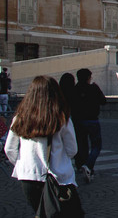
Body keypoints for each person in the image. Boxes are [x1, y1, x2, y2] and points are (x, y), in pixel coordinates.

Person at [4, 76, 79, 214]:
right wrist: (59, 159)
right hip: (57, 176)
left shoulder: (20, 117)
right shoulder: (62, 118)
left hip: (28, 175)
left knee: (39, 212)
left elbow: (9, 149)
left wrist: (23, 163)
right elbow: (72, 149)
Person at [72, 68, 106, 183]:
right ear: (88, 78)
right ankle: (88, 165)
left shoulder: (75, 89)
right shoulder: (93, 88)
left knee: (83, 145)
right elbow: (103, 101)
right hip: (92, 120)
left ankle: (85, 167)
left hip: (79, 121)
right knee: (96, 146)